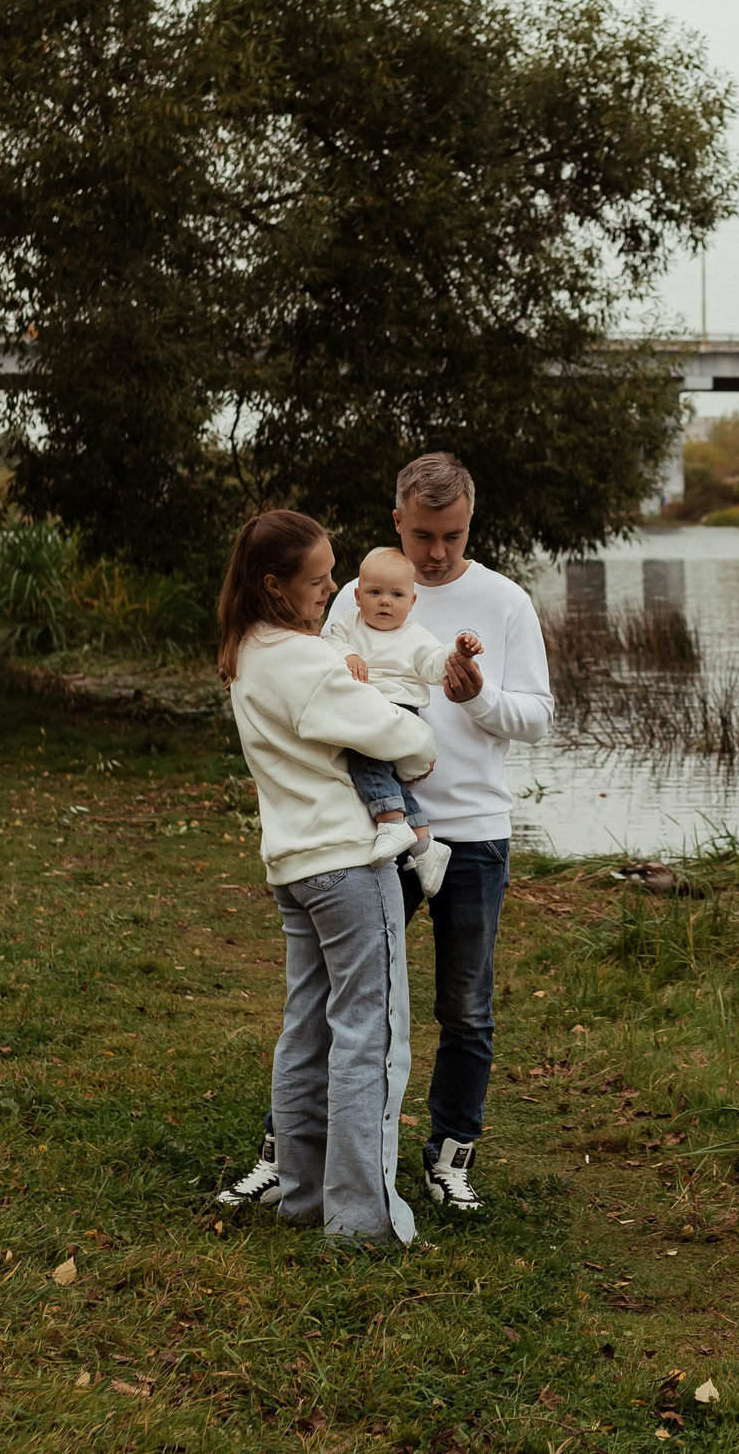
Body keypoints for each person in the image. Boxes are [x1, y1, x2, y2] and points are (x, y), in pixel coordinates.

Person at [220, 453, 552, 1215]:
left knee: (465, 1008)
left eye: (455, 534)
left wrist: (479, 697)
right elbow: (318, 684)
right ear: (398, 519)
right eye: (426, 534)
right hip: (372, 837)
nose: (438, 552)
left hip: (472, 832)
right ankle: (286, 1152)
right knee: (345, 1004)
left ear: (473, 521)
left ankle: (449, 1156)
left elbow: (538, 715)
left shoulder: (503, 601)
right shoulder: (355, 592)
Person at [218, 508, 438, 1243]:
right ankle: (361, 1219)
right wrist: (418, 741)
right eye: (319, 580)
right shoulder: (308, 663)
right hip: (347, 864)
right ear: (275, 585)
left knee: (307, 1028)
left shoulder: (247, 650)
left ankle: (304, 1193)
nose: (334, 588)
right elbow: (403, 736)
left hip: (293, 866)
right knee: (369, 1035)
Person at [327, 544, 482, 899]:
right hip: (364, 707)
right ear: (357, 596)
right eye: (375, 592)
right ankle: (425, 845)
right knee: (389, 777)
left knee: (363, 760)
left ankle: (391, 822)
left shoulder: (414, 636)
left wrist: (456, 651)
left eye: (396, 594)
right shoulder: (347, 627)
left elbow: (432, 662)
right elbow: (327, 644)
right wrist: (348, 654)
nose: (385, 602)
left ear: (411, 602)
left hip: (398, 711)